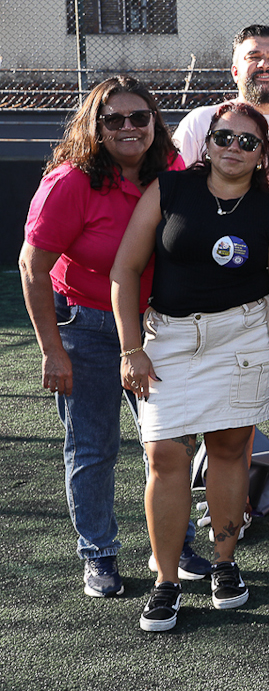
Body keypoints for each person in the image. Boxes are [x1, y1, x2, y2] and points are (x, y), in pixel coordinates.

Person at [112, 101, 269, 632]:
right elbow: (125, 270)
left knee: (229, 450)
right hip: (170, 340)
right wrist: (131, 349)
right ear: (206, 142)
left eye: (248, 142)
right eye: (225, 137)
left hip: (243, 337)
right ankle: (167, 582)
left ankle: (225, 565)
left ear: (262, 154)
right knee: (164, 456)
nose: (234, 148)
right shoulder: (170, 190)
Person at [19, 76, 192, 598]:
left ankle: (175, 548)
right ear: (94, 127)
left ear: (154, 123)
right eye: (112, 119)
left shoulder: (174, 173)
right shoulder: (70, 182)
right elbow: (32, 267)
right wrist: (52, 350)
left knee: (168, 445)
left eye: (138, 117)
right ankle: (98, 554)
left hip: (158, 327)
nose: (127, 127)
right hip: (87, 329)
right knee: (94, 447)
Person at [174, 25, 269, 532]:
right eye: (253, 57)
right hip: (220, 296)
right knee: (218, 398)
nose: (264, 64)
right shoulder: (200, 123)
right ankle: (225, 498)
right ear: (234, 69)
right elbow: (174, 196)